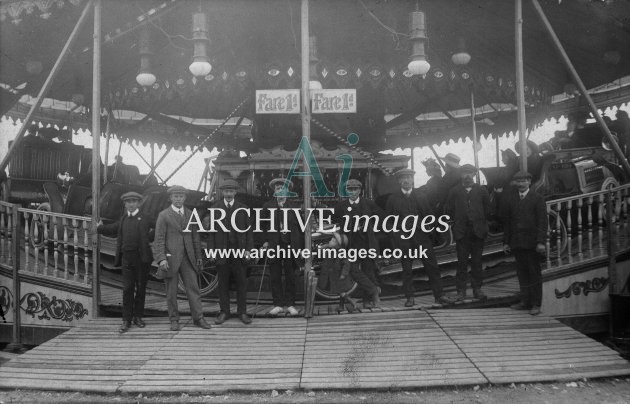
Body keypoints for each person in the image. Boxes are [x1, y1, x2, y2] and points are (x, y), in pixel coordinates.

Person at [385, 168, 455, 307]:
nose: (406, 181)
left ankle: (439, 295)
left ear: (412, 180)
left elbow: (429, 216)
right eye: (403, 178)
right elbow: (388, 221)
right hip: (404, 240)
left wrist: (428, 232)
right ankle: (410, 298)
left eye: (409, 177)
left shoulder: (421, 196)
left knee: (432, 267)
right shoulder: (392, 199)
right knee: (407, 270)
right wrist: (397, 236)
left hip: (422, 238)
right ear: (399, 181)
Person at [154, 185, 211, 331]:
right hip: (170, 259)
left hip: (188, 258)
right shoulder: (164, 215)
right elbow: (159, 239)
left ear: (184, 198)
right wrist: (161, 259)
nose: (178, 199)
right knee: (171, 292)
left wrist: (199, 257)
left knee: (193, 288)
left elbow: (195, 238)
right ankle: (174, 320)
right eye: (175, 196)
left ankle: (198, 318)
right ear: (171, 198)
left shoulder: (191, 214)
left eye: (181, 196)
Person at [97, 192, 152, 333]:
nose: (131, 204)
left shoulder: (145, 218)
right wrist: (99, 227)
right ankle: (126, 320)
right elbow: (112, 228)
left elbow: (159, 228)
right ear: (125, 204)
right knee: (127, 289)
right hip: (127, 259)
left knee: (140, 289)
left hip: (141, 259)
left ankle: (138, 317)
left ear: (139, 203)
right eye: (128, 202)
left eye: (134, 201)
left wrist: (149, 239)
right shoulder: (123, 219)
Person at [500, 171, 547, 316]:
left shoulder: (537, 198)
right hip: (517, 243)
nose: (520, 184)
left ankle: (536, 304)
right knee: (522, 274)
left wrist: (540, 242)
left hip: (532, 243)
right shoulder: (511, 199)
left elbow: (542, 222)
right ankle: (525, 301)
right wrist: (506, 242)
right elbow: (507, 223)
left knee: (534, 274)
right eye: (518, 181)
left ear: (529, 182)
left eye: (523, 181)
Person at [208, 179, 254, 325]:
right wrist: (212, 252)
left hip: (239, 252)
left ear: (235, 192)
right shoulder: (215, 208)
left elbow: (249, 232)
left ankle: (242, 312)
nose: (228, 194)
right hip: (221, 252)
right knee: (223, 283)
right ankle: (224, 312)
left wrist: (248, 250)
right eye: (226, 191)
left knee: (241, 282)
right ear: (222, 192)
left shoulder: (243, 208)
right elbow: (211, 233)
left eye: (231, 191)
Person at [334, 179, 382, 309]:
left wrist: (373, 231)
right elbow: (335, 222)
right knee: (353, 271)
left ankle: (368, 301)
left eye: (355, 189)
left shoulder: (369, 204)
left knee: (368, 271)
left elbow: (381, 218)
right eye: (350, 189)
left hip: (366, 243)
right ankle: (373, 291)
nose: (353, 192)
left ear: (360, 191)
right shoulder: (340, 206)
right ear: (346, 191)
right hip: (350, 245)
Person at [445, 164, 491, 301]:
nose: (467, 176)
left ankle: (477, 290)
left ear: (474, 174)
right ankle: (461, 291)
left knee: (477, 262)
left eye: (470, 173)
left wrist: (481, 224)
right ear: (460, 175)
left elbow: (487, 210)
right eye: (464, 173)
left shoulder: (482, 190)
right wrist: (457, 223)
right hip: (462, 232)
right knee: (462, 263)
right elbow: (448, 210)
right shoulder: (454, 191)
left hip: (478, 232)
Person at [262, 178, 301, 316]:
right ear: (274, 191)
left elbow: (301, 228)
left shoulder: (295, 207)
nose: (280, 191)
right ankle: (278, 304)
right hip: (274, 245)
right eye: (277, 189)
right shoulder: (267, 206)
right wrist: (265, 241)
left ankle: (290, 304)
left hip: (290, 245)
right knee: (275, 275)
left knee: (291, 275)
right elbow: (261, 226)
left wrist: (300, 247)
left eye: (283, 188)